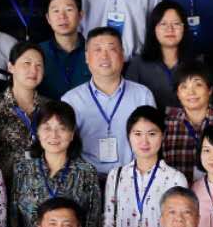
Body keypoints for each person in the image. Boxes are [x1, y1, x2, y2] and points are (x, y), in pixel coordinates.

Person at [7, 104, 105, 227]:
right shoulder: (22, 170)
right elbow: (14, 222)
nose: (54, 135)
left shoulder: (86, 172)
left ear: (72, 134)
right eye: (47, 128)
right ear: (38, 132)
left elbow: (93, 226)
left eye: (62, 128)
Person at [99, 107, 185, 227]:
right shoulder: (116, 176)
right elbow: (108, 224)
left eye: (152, 134)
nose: (144, 141)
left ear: (163, 135)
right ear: (129, 136)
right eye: (137, 134)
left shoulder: (175, 179)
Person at [60, 28, 155, 176]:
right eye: (97, 50)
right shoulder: (71, 100)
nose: (104, 56)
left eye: (111, 49)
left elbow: (153, 142)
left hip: (133, 178)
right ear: (86, 57)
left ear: (122, 54)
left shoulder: (142, 95)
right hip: (86, 179)